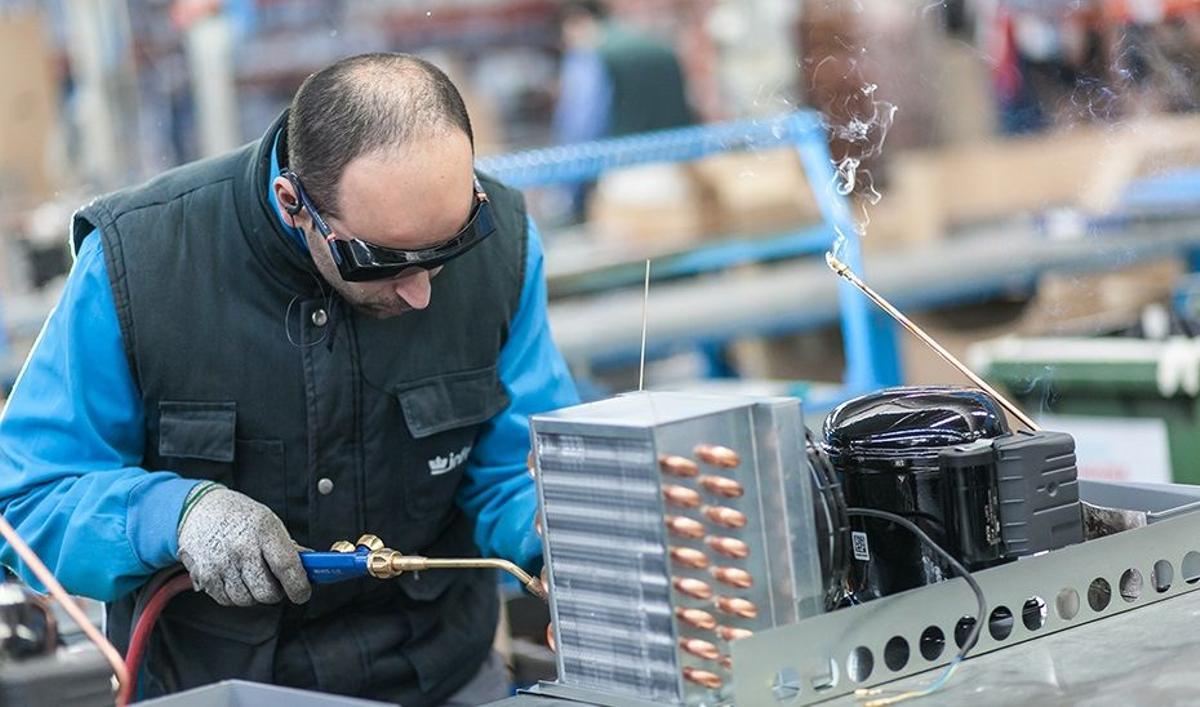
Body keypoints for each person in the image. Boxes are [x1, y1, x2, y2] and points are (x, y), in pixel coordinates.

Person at [0, 53, 578, 705]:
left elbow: (514, 472)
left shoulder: (505, 252)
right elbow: (26, 500)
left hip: (442, 677)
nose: (420, 294)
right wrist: (175, 515)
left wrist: (567, 546)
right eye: (381, 261)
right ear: (293, 202)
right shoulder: (142, 264)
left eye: (450, 248)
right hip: (220, 688)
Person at [552, 0, 694, 218]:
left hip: (624, 183)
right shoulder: (661, 47)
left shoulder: (590, 57)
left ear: (577, 20)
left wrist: (568, 195)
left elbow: (581, 128)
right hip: (682, 177)